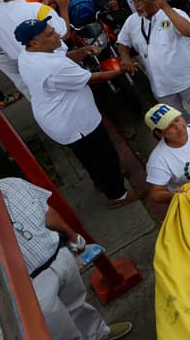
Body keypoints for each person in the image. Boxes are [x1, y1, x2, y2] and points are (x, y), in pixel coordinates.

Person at [0, 177, 132, 340]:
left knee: (78, 304)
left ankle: (96, 334)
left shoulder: (11, 184)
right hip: (31, 281)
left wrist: (71, 236)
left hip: (58, 254)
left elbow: (47, 212)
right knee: (60, 332)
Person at [13, 17, 131, 207]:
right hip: (76, 122)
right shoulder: (53, 67)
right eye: (50, 34)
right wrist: (123, 69)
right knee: (104, 155)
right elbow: (93, 78)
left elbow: (62, 57)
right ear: (35, 42)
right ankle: (118, 196)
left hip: (58, 119)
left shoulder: (27, 54)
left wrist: (83, 52)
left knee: (89, 158)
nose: (57, 34)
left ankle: (102, 182)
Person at [116, 0, 190, 124]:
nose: (136, 5)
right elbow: (122, 42)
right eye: (134, 1)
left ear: (155, 0)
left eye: (140, 1)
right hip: (160, 84)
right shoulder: (132, 20)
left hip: (186, 78)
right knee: (176, 118)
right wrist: (125, 57)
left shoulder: (174, 13)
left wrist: (166, 8)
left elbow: (189, 32)